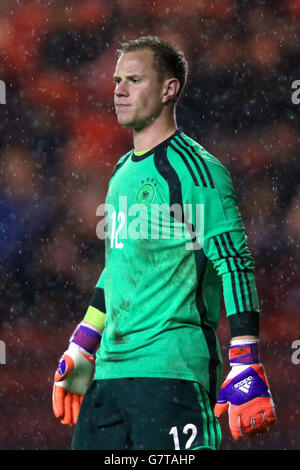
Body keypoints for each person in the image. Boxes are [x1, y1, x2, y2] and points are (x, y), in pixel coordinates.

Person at [52, 36, 276, 450]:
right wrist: (84, 342)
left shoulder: (197, 170)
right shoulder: (120, 171)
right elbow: (119, 266)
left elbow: (234, 261)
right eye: (117, 79)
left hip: (171, 373)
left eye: (133, 80)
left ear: (169, 89)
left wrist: (246, 359)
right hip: (110, 377)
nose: (118, 89)